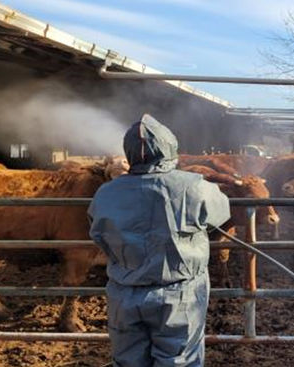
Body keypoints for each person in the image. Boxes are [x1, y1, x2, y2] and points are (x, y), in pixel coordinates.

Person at [89, 114, 230, 367]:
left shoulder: (105, 193)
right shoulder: (194, 186)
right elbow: (221, 214)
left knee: (128, 360)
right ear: (170, 147)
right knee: (179, 360)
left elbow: (98, 234)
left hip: (124, 293)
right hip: (178, 294)